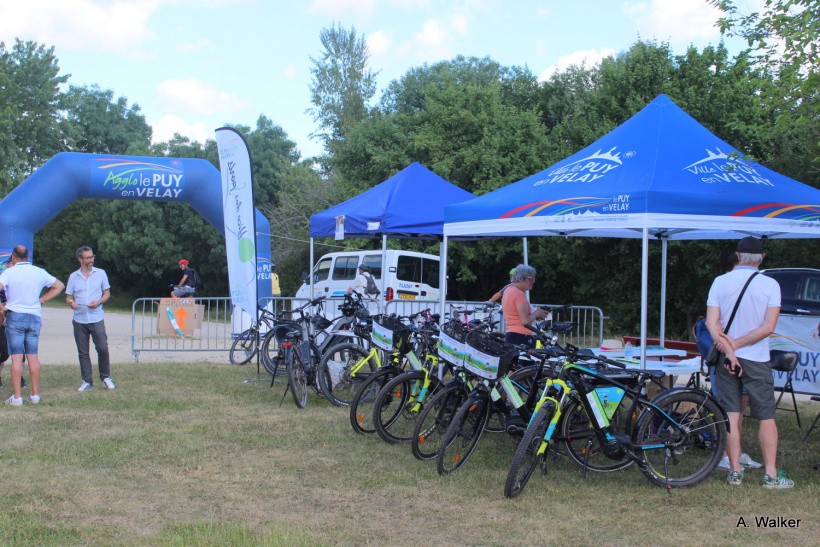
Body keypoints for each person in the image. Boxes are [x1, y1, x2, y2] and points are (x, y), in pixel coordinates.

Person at [705, 236, 793, 488]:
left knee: (731, 414)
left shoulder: (720, 282)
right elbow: (768, 327)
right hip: (756, 358)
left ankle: (734, 471)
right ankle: (771, 475)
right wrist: (739, 345)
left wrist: (729, 348)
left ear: (738, 256)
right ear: (762, 258)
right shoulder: (770, 285)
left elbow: (712, 323)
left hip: (725, 358)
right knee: (766, 416)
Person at [709, 252, 761, 471]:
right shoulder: (722, 285)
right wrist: (727, 347)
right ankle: (724, 455)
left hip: (746, 354)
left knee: (739, 405)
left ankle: (735, 454)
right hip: (729, 355)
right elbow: (713, 324)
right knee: (728, 408)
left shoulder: (757, 286)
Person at [0, 245, 65, 405]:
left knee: (16, 356)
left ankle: (17, 397)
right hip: (34, 316)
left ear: (13, 258)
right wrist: (42, 299)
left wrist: (1, 308)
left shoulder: (9, 272)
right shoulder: (39, 272)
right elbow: (59, 286)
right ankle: (34, 394)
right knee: (33, 355)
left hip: (15, 315)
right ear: (27, 257)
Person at [66, 246, 114, 392]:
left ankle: (106, 377)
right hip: (79, 319)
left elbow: (107, 294)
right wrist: (71, 303)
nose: (91, 260)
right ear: (80, 259)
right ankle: (87, 381)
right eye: (87, 258)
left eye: (92, 257)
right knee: (83, 352)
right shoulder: (73, 276)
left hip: (96, 317)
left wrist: (98, 302)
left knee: (102, 349)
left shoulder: (100, 273)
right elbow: (69, 296)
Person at [501, 264, 548, 348]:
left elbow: (516, 315)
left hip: (512, 334)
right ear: (520, 279)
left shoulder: (508, 290)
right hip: (522, 337)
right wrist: (537, 313)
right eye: (530, 279)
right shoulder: (519, 294)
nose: (533, 281)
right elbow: (525, 322)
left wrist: (535, 316)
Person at [0, 258, 28, 390]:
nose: (7, 266)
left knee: (19, 352)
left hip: (17, 318)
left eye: (9, 264)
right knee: (2, 352)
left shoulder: (21, 281)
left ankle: (20, 378)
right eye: (7, 264)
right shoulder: (3, 279)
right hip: (3, 319)